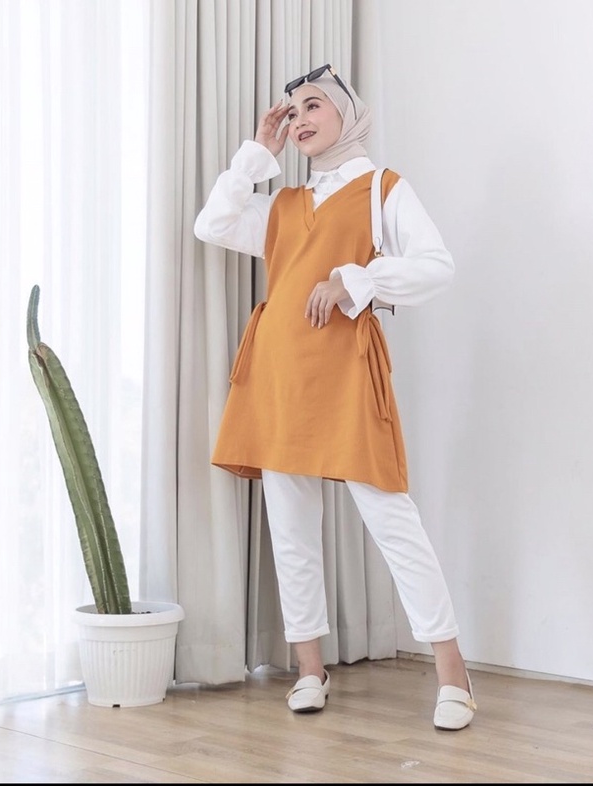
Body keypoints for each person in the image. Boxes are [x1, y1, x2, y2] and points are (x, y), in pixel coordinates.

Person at [194, 64, 476, 731]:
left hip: (346, 371)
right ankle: (309, 670)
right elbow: (213, 223)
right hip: (279, 375)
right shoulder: (283, 204)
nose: (299, 120)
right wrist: (256, 153)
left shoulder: (383, 188)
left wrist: (357, 280)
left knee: (392, 519)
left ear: (348, 114)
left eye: (314, 105)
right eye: (291, 112)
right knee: (291, 526)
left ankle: (453, 675)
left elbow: (437, 266)